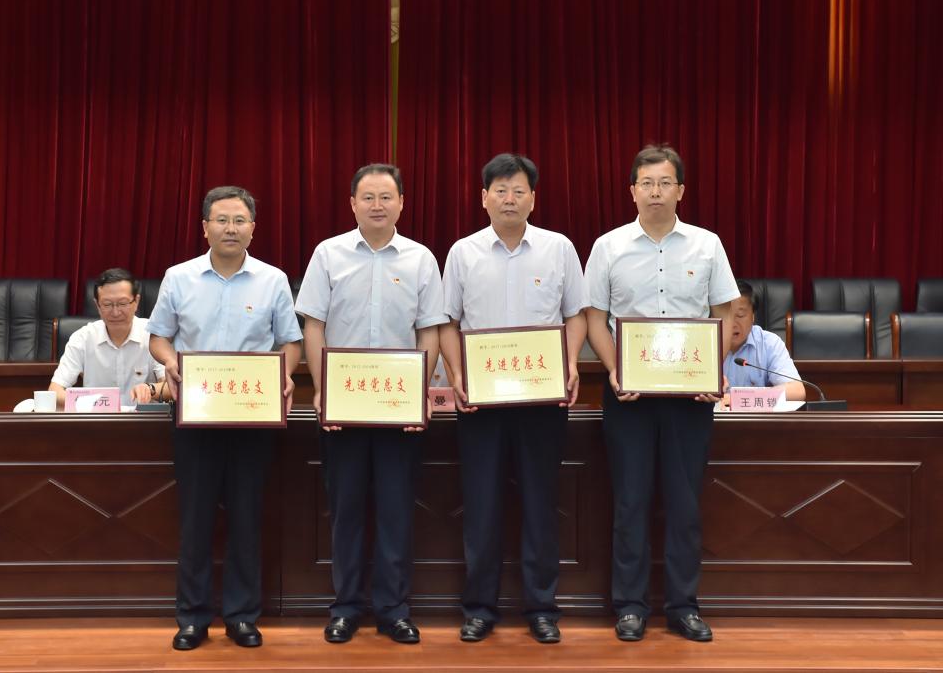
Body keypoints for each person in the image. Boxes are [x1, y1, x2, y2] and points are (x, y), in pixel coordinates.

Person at [584, 144, 738, 643]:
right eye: (647, 183)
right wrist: (614, 370)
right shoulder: (608, 246)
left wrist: (711, 370)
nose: (655, 192)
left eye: (665, 183)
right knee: (630, 502)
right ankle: (629, 606)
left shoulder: (707, 245)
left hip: (689, 399)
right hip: (628, 397)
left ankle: (682, 606)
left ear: (681, 190)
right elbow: (594, 319)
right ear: (632, 190)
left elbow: (724, 314)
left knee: (684, 504)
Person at [295, 163, 447, 645]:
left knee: (396, 511)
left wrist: (419, 393)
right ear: (352, 204)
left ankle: (393, 609)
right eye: (368, 197)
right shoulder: (328, 254)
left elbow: (430, 331)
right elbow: (314, 326)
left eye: (386, 197)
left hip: (399, 410)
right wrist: (322, 389)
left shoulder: (421, 258)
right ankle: (345, 608)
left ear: (402, 203)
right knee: (346, 511)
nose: (377, 205)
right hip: (345, 409)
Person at [439, 153, 587, 644]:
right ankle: (479, 608)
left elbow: (576, 315)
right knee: (481, 506)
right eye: (500, 190)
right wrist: (457, 374)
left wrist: (569, 364)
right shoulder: (462, 253)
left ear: (533, 198)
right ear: (483, 198)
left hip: (541, 401)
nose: (509, 199)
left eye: (518, 190)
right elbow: (448, 322)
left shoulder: (558, 248)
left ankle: (541, 607)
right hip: (480, 403)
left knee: (541, 505)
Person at [147, 186, 302, 651]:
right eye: (221, 220)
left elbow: (290, 341)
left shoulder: (272, 279)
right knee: (195, 518)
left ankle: (241, 616)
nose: (230, 229)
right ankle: (193, 618)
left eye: (239, 220)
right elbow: (158, 336)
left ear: (253, 227)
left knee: (246, 517)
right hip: (195, 414)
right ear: (205, 227)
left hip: (252, 416)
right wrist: (170, 362)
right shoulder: (179, 277)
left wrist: (285, 374)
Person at [48, 268, 166, 408]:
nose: (115, 312)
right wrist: (92, 403)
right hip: (97, 419)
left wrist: (150, 389)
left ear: (136, 301)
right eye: (107, 304)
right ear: (97, 305)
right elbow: (55, 391)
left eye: (123, 303)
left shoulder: (153, 335)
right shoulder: (82, 338)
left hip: (142, 420)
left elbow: (171, 387)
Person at [723, 281, 806, 400]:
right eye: (725, 316)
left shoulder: (769, 343)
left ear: (753, 316)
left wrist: (739, 398)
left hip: (753, 412)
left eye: (740, 315)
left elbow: (797, 391)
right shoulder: (704, 343)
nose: (732, 324)